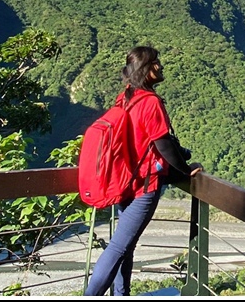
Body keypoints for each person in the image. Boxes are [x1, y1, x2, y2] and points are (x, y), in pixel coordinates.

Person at [84, 46, 203, 296]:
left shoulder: (127, 96)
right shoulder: (150, 102)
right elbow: (163, 144)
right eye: (156, 62)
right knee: (118, 247)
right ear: (147, 70)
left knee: (125, 245)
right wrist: (184, 170)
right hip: (144, 187)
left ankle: (121, 294)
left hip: (125, 180)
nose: (160, 66)